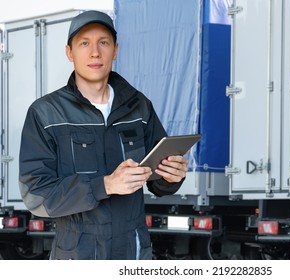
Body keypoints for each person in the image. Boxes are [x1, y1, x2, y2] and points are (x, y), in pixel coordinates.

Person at [19, 10, 188, 260]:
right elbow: (37, 196)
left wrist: (172, 176)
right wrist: (105, 185)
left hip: (134, 250)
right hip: (77, 253)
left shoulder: (139, 106)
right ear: (69, 53)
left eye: (103, 42)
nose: (95, 52)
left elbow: (158, 181)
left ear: (115, 50)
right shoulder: (46, 113)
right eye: (84, 43)